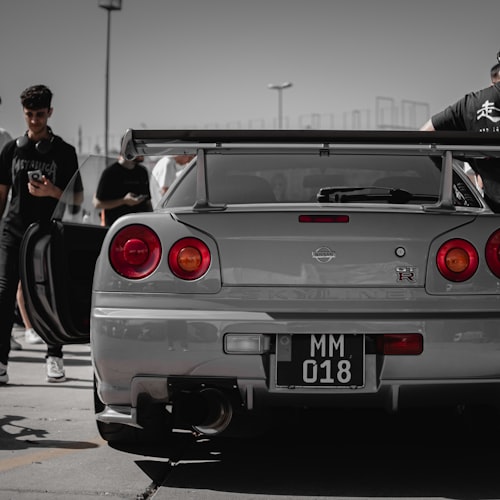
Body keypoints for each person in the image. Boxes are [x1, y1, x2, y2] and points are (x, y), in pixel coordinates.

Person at [0, 84, 83, 384]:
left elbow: (77, 199)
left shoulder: (65, 152)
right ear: (23, 113)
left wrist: (52, 191)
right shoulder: (11, 150)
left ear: (50, 112)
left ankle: (54, 358)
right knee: (3, 294)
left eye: (40, 114)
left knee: (51, 295)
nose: (34, 120)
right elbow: (2, 195)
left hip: (48, 233)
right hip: (13, 230)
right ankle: (1, 362)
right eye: (29, 114)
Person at [420, 60, 500, 211]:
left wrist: (459, 181)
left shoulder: (471, 103)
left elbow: (424, 136)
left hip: (493, 208)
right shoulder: (470, 103)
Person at [93, 152, 152, 227]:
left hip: (140, 224)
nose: (142, 153)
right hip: (117, 226)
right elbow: (97, 204)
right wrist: (123, 201)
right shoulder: (110, 173)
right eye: (138, 150)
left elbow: (148, 201)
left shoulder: (142, 171)